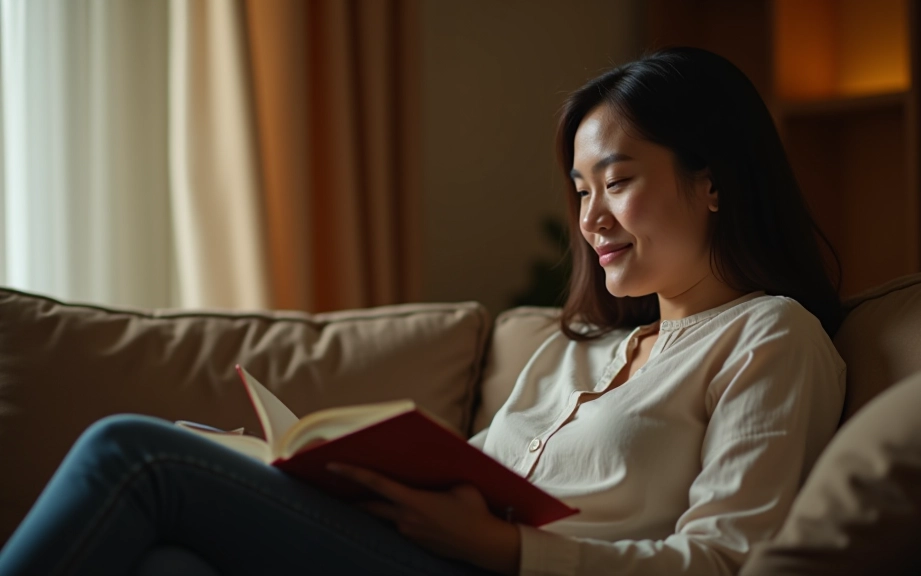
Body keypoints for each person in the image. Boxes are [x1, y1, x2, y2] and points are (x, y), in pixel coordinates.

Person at [0, 47, 846, 576]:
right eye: (581, 191)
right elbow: (462, 476)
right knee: (170, 561)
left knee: (128, 451)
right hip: (423, 553)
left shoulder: (770, 336)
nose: (589, 221)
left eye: (617, 183)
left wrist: (510, 552)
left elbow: (731, 560)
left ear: (712, 182)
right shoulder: (572, 352)